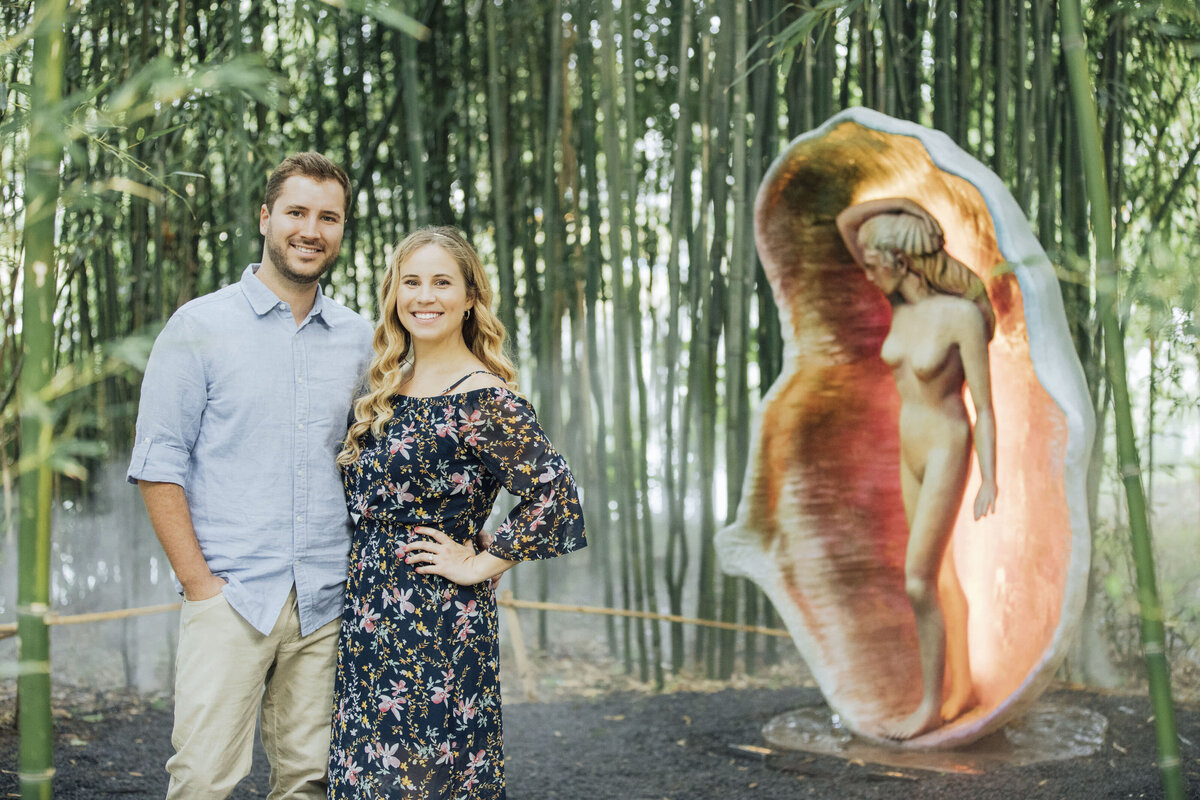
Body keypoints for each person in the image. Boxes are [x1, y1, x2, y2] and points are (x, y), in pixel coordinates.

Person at [128, 152, 374, 797]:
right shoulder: (199, 327)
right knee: (203, 779)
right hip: (232, 596)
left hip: (327, 597)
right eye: (296, 212)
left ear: (342, 229)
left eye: (329, 218)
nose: (311, 230)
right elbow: (158, 465)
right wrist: (201, 586)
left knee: (309, 780)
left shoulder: (363, 340)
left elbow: (385, 462)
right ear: (265, 217)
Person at [328, 226, 586, 798]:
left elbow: (556, 496)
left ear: (470, 297)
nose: (425, 296)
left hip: (438, 621)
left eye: (442, 282)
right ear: (394, 293)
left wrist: (480, 563)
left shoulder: (484, 398)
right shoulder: (385, 386)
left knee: (427, 782)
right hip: (369, 620)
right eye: (411, 282)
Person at [836, 197, 998, 740]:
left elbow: (984, 407)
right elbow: (845, 223)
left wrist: (991, 476)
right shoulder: (899, 309)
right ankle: (963, 686)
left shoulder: (961, 316)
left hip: (948, 444)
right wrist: (905, 205)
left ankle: (929, 706)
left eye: (872, 262)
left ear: (900, 260)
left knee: (917, 579)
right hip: (911, 448)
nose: (865, 272)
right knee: (941, 573)